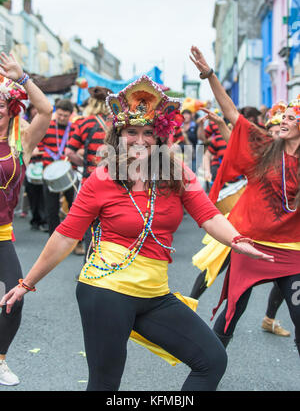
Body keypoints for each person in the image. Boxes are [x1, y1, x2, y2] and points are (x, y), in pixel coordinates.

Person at [0, 75, 273, 392]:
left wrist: (236, 240)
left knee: (212, 359)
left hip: (155, 294)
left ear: (161, 137)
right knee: (105, 384)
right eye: (132, 132)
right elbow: (65, 235)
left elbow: (208, 215)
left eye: (148, 133)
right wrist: (26, 283)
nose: (140, 140)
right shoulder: (102, 178)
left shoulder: (176, 175)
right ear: (119, 135)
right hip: (105, 290)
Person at [190, 46, 300, 354]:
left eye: (292, 117)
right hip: (250, 245)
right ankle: (207, 371)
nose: (284, 121)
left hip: (291, 251)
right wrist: (209, 74)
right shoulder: (265, 147)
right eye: (285, 116)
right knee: (229, 317)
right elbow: (232, 114)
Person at [0, 52, 52, 385]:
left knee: (14, 296)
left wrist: (22, 78)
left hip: (2, 233)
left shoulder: (21, 142)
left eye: (1, 105)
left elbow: (46, 111)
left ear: (11, 109)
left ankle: (0, 359)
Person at [65, 85, 112, 258]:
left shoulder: (84, 123)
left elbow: (69, 152)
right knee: (111, 224)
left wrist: (84, 163)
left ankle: (88, 264)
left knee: (89, 223)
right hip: (114, 181)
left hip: (89, 181)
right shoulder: (118, 123)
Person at [40, 99, 76, 237]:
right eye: (59, 114)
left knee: (74, 208)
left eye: (65, 116)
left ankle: (75, 240)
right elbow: (38, 143)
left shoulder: (74, 128)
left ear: (70, 115)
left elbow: (79, 146)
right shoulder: (47, 126)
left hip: (68, 172)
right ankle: (52, 239)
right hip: (49, 173)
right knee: (51, 209)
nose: (61, 118)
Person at [23, 104, 48, 232]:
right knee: (31, 193)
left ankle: (43, 220)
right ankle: (35, 218)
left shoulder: (46, 126)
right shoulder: (23, 124)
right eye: (34, 109)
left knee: (43, 194)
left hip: (42, 162)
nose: (35, 111)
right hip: (28, 163)